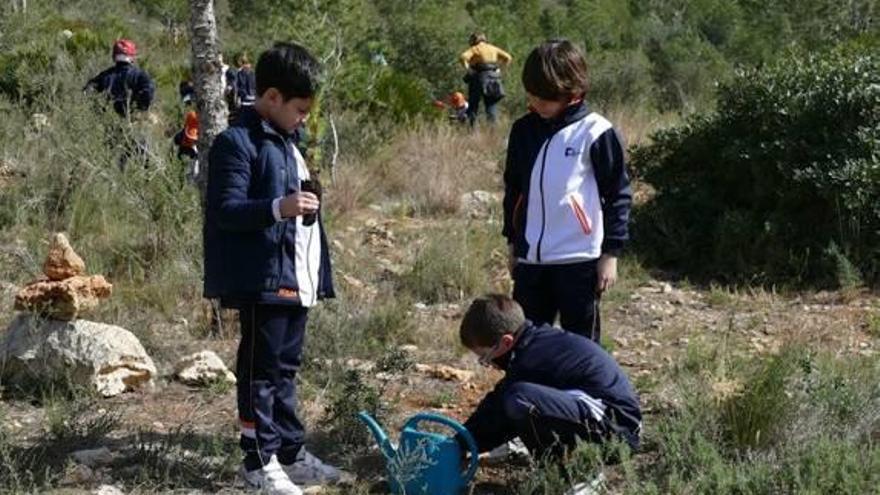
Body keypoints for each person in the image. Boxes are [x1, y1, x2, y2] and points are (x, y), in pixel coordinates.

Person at [204, 42, 342, 495]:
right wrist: (278, 207)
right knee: (260, 371)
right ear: (273, 97)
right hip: (262, 277)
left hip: (296, 276)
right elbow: (226, 209)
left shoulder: (289, 143)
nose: (304, 117)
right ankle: (257, 462)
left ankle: (289, 453)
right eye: (300, 108)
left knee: (285, 368)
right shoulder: (236, 142)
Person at [502, 40, 632, 343]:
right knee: (526, 344)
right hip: (531, 261)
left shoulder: (596, 131)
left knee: (581, 346)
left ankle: (586, 392)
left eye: (544, 98)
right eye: (531, 95)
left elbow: (618, 195)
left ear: (571, 91)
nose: (535, 103)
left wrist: (610, 254)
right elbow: (514, 190)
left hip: (580, 260)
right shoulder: (523, 130)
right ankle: (530, 392)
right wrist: (513, 243)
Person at [459, 295, 641, 494]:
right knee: (515, 399)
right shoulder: (531, 345)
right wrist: (460, 442)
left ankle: (576, 474)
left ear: (506, 342)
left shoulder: (532, 358)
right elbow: (497, 402)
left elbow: (504, 406)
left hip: (617, 431)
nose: (490, 364)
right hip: (598, 416)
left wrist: (463, 444)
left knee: (521, 401)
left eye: (485, 357)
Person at [84, 39, 155, 117]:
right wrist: (139, 108)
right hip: (132, 120)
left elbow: (88, 91)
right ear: (131, 56)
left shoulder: (105, 75)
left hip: (106, 119)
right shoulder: (140, 75)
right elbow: (148, 93)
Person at [459, 32, 512, 126]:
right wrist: (500, 70)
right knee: (491, 107)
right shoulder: (493, 48)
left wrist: (469, 70)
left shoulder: (476, 48)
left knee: (473, 106)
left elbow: (463, 57)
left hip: (478, 79)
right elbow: (508, 57)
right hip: (494, 79)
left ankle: (472, 131)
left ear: (474, 40)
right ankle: (492, 133)